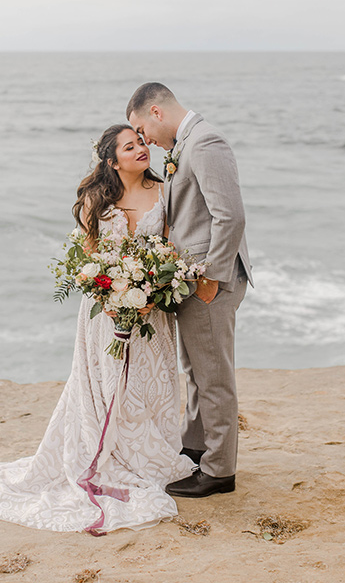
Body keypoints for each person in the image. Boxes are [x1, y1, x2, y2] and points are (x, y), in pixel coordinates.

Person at [0, 124, 194, 534]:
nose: (140, 151)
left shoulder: (165, 192)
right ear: (112, 161)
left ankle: (143, 454)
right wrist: (110, 292)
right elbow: (88, 259)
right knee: (102, 381)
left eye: (141, 144)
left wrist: (153, 287)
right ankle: (101, 451)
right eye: (129, 148)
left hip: (151, 309)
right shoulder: (96, 202)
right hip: (103, 310)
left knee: (148, 383)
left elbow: (169, 249)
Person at [126, 83, 252, 498]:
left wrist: (210, 278)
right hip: (192, 281)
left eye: (142, 130)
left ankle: (219, 471)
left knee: (214, 377)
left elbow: (229, 217)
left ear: (156, 112)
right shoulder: (185, 146)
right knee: (197, 372)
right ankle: (197, 449)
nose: (145, 141)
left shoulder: (205, 142)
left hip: (209, 282)